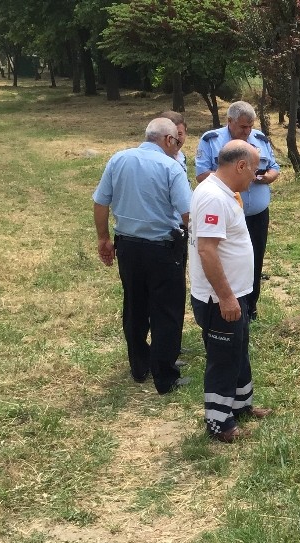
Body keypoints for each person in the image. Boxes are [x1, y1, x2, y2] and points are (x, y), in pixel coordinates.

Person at [92, 117, 192, 394]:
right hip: (163, 248)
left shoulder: (119, 159)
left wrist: (104, 239)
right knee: (167, 310)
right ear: (168, 140)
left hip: (128, 248)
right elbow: (187, 214)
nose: (178, 146)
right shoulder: (171, 167)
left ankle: (139, 366)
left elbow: (101, 202)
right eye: (178, 141)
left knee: (134, 305)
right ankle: (165, 375)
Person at [189, 140, 272, 443]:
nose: (256, 175)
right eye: (255, 168)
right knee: (223, 358)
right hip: (220, 298)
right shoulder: (213, 197)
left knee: (238, 350)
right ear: (240, 166)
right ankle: (219, 422)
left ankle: (241, 404)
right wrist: (225, 296)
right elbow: (207, 252)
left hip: (237, 292)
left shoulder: (225, 193)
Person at [195, 101, 280, 321]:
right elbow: (202, 174)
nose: (248, 131)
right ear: (229, 121)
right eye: (243, 127)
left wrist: (266, 176)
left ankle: (250, 307)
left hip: (257, 214)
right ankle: (226, 300)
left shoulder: (259, 139)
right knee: (225, 258)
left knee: (254, 258)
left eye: (250, 126)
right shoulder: (212, 141)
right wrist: (232, 181)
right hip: (227, 215)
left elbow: (274, 167)